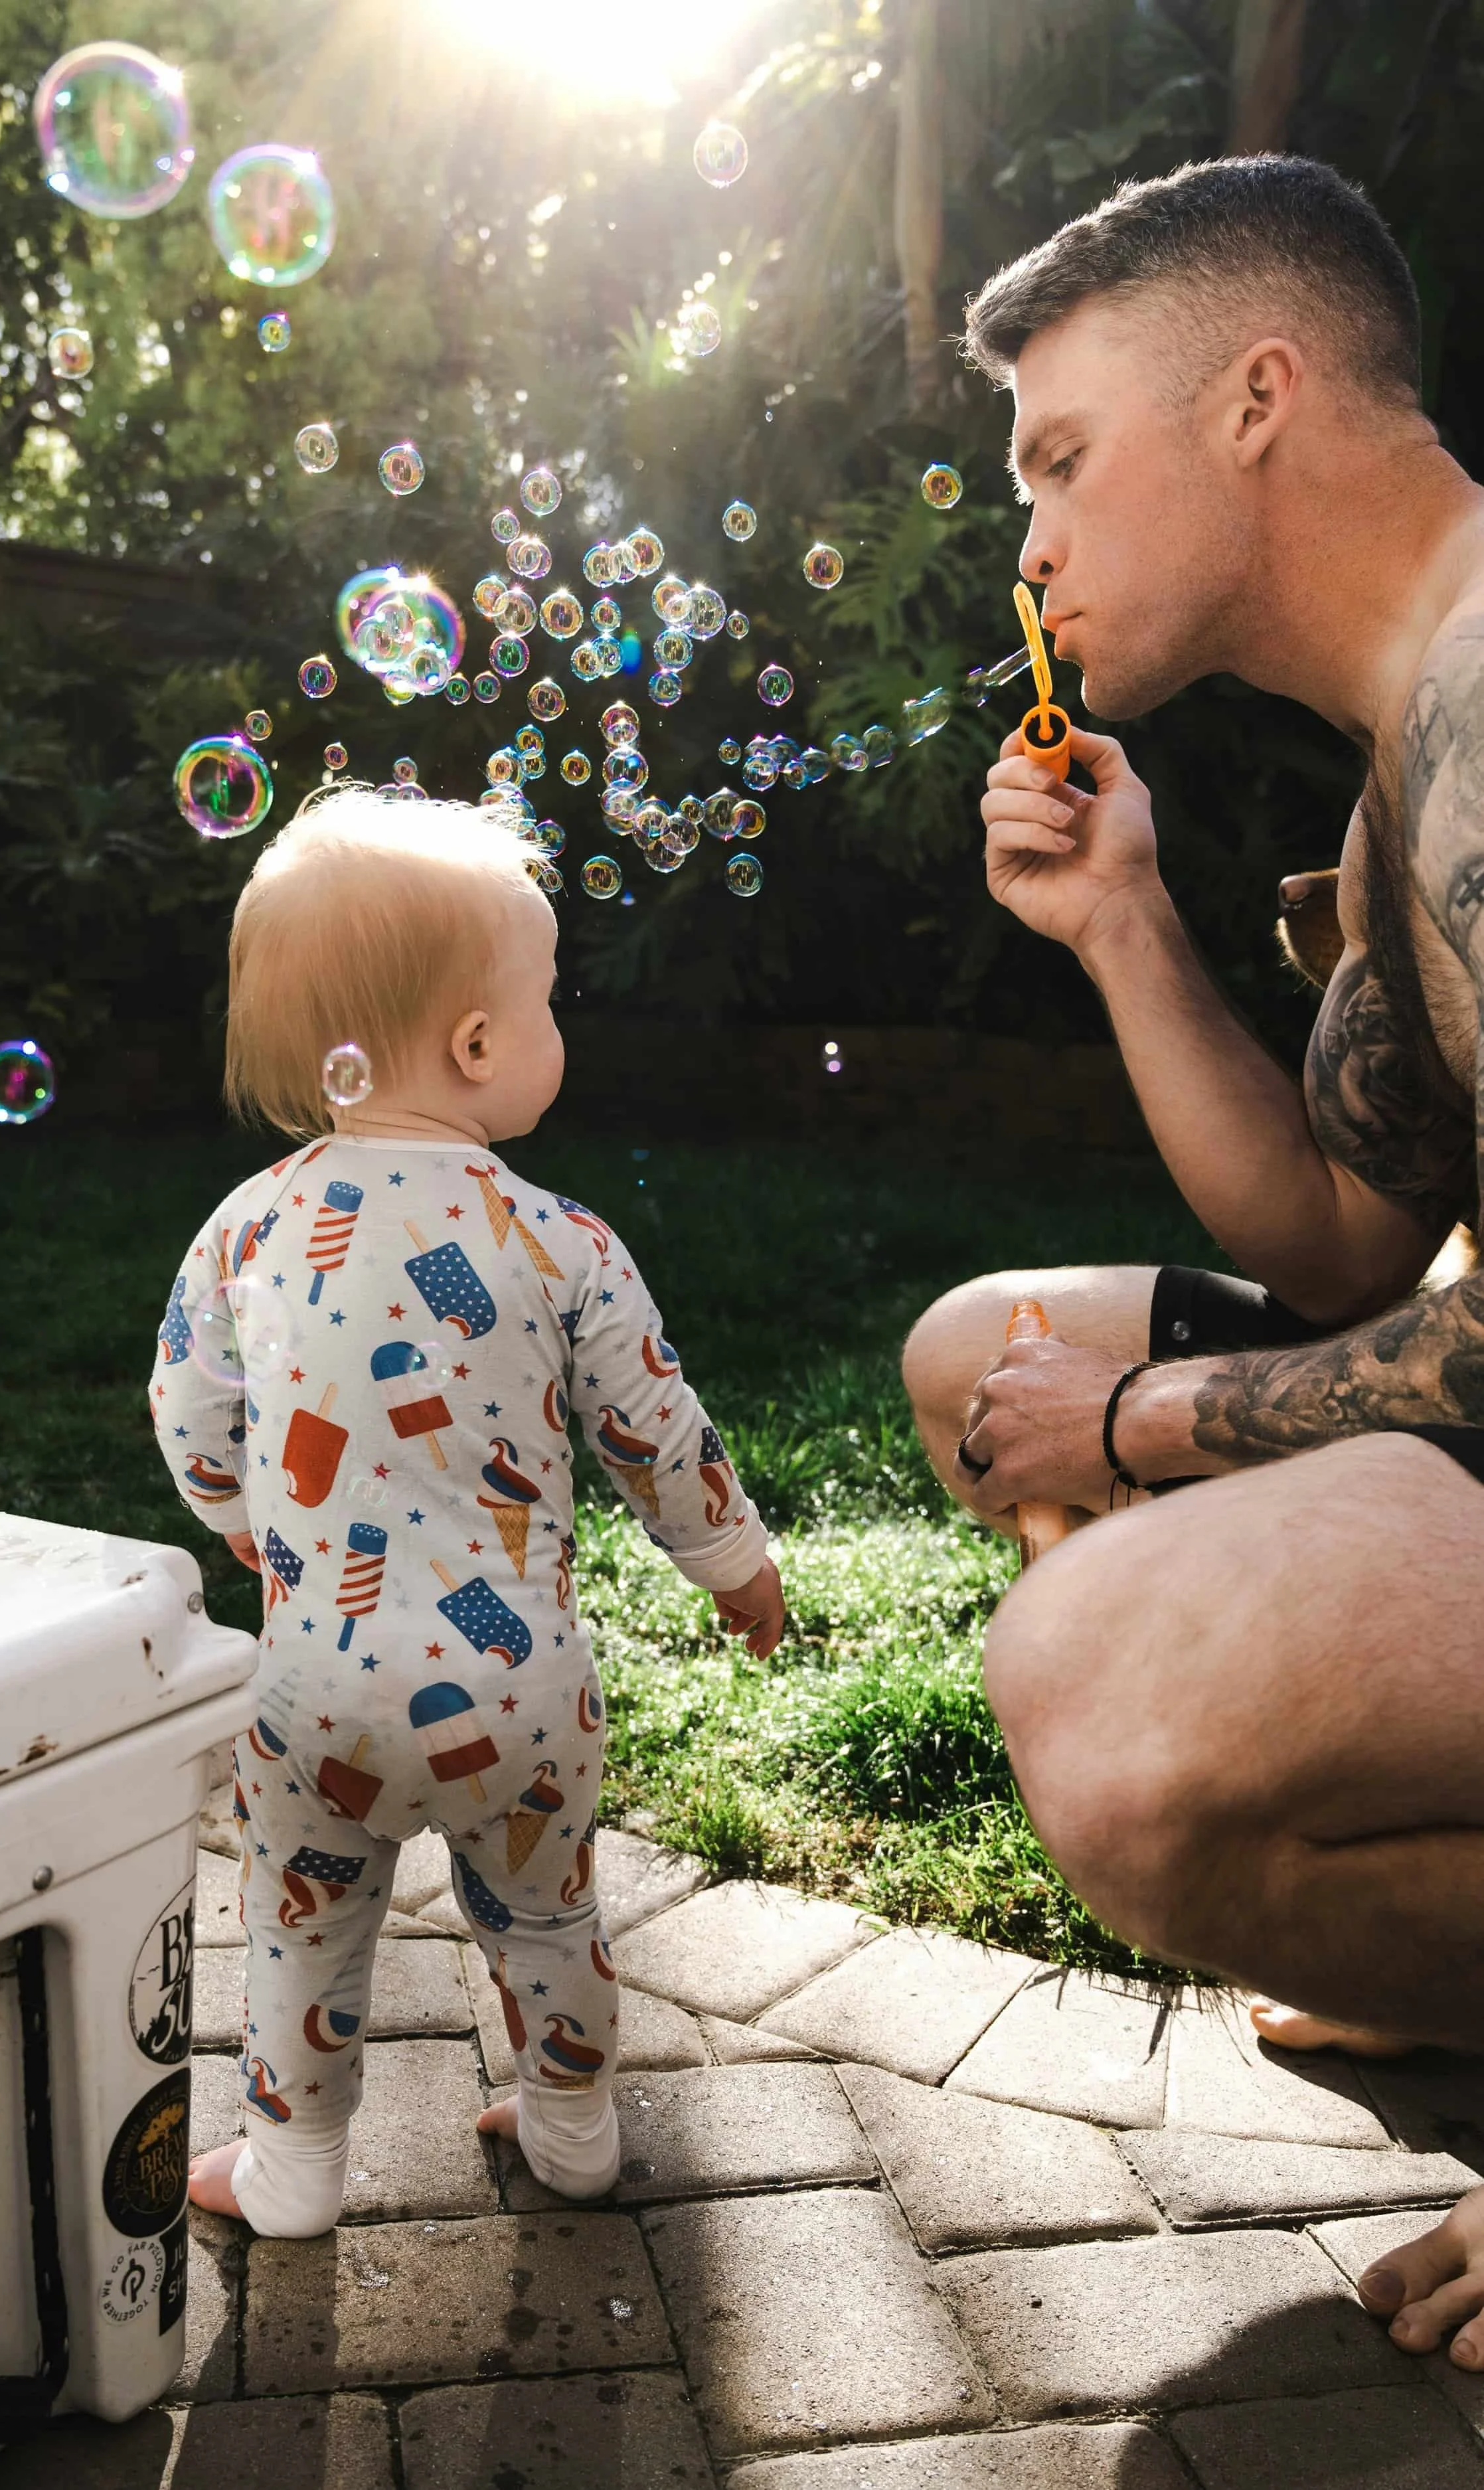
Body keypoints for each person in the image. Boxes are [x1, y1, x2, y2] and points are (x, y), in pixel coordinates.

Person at [901, 155, 1484, 2370]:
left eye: (1061, 458)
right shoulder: (1403, 745)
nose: (1026, 536)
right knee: (989, 1348)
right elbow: (1340, 1237)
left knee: (1117, 1700)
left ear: (1258, 395)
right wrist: (1125, 926)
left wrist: (1142, 1426)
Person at [153, 788, 783, 2234]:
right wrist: (733, 1564)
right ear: (481, 1046)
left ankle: (293, 2168)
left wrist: (251, 1525)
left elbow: (189, 1412)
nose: (560, 1025)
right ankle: (569, 2129)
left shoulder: (245, 1227)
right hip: (522, 1697)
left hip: (316, 1690)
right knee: (547, 1917)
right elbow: (653, 1432)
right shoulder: (561, 1240)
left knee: (303, 1932)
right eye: (548, 1000)